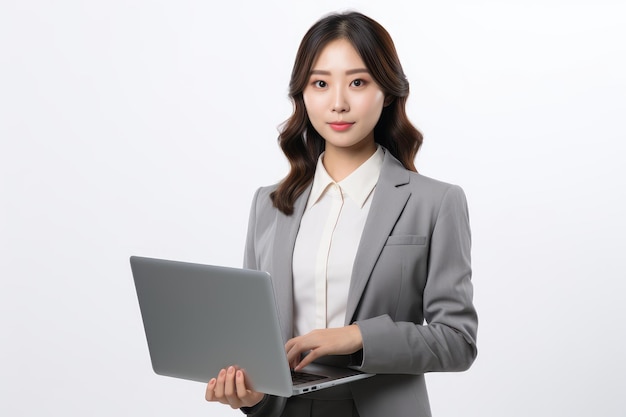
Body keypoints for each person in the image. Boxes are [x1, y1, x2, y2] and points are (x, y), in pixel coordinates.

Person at [205, 11, 478, 417]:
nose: (338, 102)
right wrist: (249, 395)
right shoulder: (268, 204)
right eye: (320, 83)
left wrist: (357, 337)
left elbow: (458, 342)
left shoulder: (435, 202)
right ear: (303, 94)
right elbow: (257, 343)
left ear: (386, 92)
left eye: (357, 82)